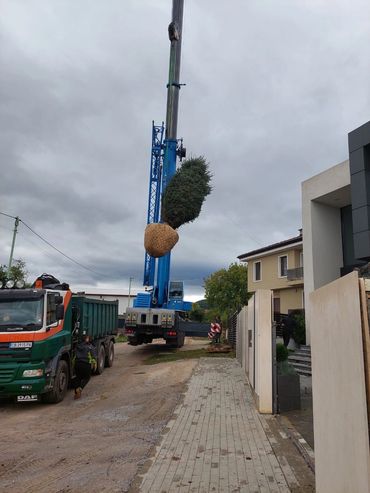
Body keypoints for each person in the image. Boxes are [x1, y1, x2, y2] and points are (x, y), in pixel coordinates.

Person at [73, 335, 97, 400]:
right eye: (88, 338)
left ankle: (76, 393)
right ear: (86, 339)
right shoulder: (90, 347)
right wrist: (94, 364)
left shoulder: (77, 346)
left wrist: (73, 365)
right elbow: (94, 356)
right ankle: (80, 389)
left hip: (77, 364)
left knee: (78, 377)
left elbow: (74, 355)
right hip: (86, 364)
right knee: (87, 377)